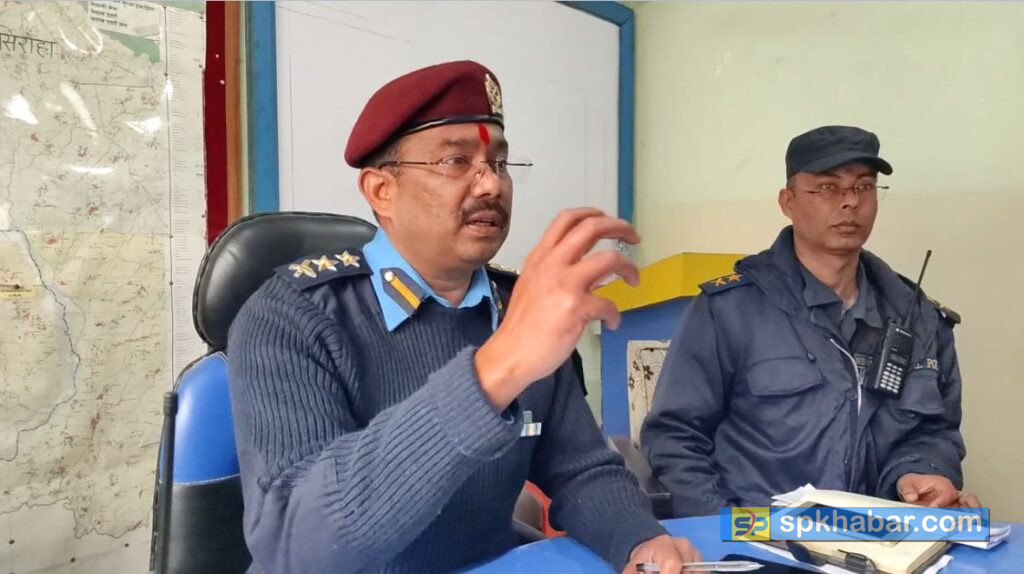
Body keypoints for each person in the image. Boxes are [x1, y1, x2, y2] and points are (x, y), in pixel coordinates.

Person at [228, 60, 699, 574]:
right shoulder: (291, 315)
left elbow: (581, 470)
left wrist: (638, 540)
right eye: (456, 161)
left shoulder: (516, 305)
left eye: (499, 163)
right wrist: (496, 369)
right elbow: (294, 543)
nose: (491, 185)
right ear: (382, 191)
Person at [641, 125, 980, 517]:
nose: (850, 202)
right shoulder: (729, 310)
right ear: (788, 201)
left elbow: (936, 432)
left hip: (878, 536)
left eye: (864, 186)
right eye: (828, 188)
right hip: (760, 537)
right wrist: (727, 529)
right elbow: (675, 437)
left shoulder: (917, 315)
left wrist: (920, 472)